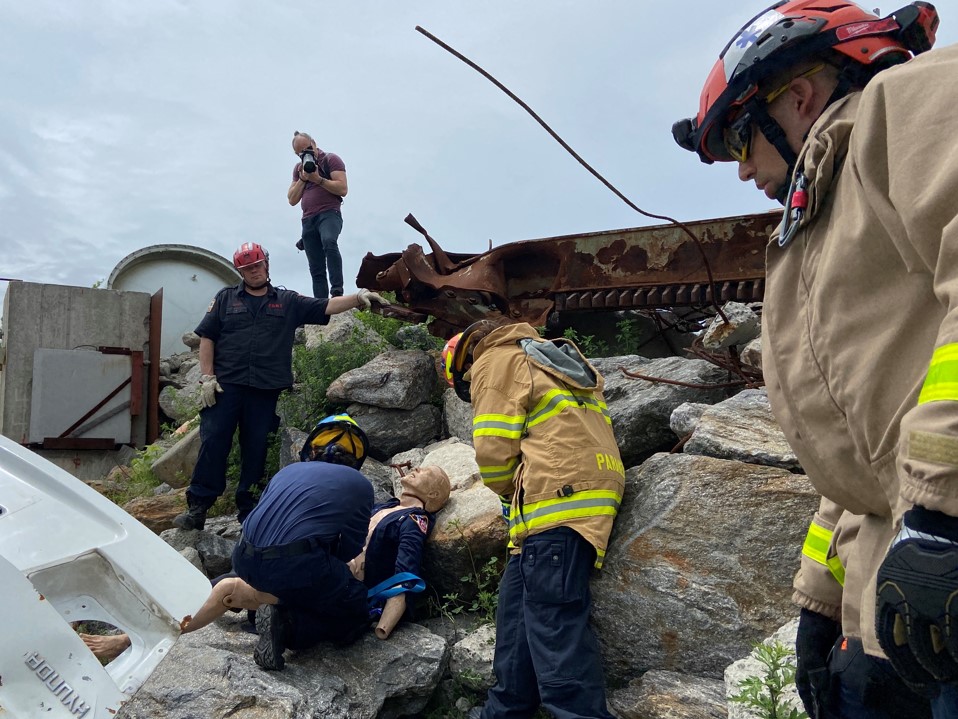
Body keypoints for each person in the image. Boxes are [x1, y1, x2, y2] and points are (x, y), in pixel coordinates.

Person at [672, 2, 957, 716]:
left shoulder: (908, 104)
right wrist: (822, 600)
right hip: (896, 595)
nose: (742, 172)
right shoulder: (817, 221)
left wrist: (943, 513)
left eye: (739, 139)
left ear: (796, 96)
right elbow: (854, 452)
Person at [83, 421, 452, 666]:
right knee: (336, 610)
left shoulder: (411, 520)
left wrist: (385, 623)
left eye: (427, 472)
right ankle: (283, 622)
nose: (414, 468)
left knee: (230, 585)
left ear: (434, 495)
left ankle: (129, 638)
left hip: (252, 556)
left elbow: (406, 573)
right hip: (309, 571)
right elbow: (341, 546)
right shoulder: (370, 498)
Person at [444, 320, 625, 719]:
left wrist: (509, 490)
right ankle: (504, 711)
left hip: (558, 501)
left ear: (463, 363)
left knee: (554, 629)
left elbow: (493, 453)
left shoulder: (494, 359)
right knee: (516, 622)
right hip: (585, 490)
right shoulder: (545, 356)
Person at [172, 243, 388, 530]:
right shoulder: (225, 299)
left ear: (266, 265)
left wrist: (358, 298)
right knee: (213, 444)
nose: (254, 271)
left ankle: (249, 513)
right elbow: (207, 337)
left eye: (258, 265)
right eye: (248, 268)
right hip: (226, 388)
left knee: (257, 449)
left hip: (264, 390)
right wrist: (207, 378)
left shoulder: (287, 301)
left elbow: (325, 305)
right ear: (240, 272)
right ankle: (198, 508)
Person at [287, 130, 348, 299]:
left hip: (330, 213)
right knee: (315, 265)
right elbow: (292, 199)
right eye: (301, 152)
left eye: (308, 148)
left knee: (329, 241)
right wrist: (304, 178)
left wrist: (318, 179)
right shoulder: (299, 169)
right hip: (308, 219)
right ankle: (320, 304)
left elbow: (343, 189)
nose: (307, 153)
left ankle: (337, 292)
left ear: (314, 142)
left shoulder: (330, 159)